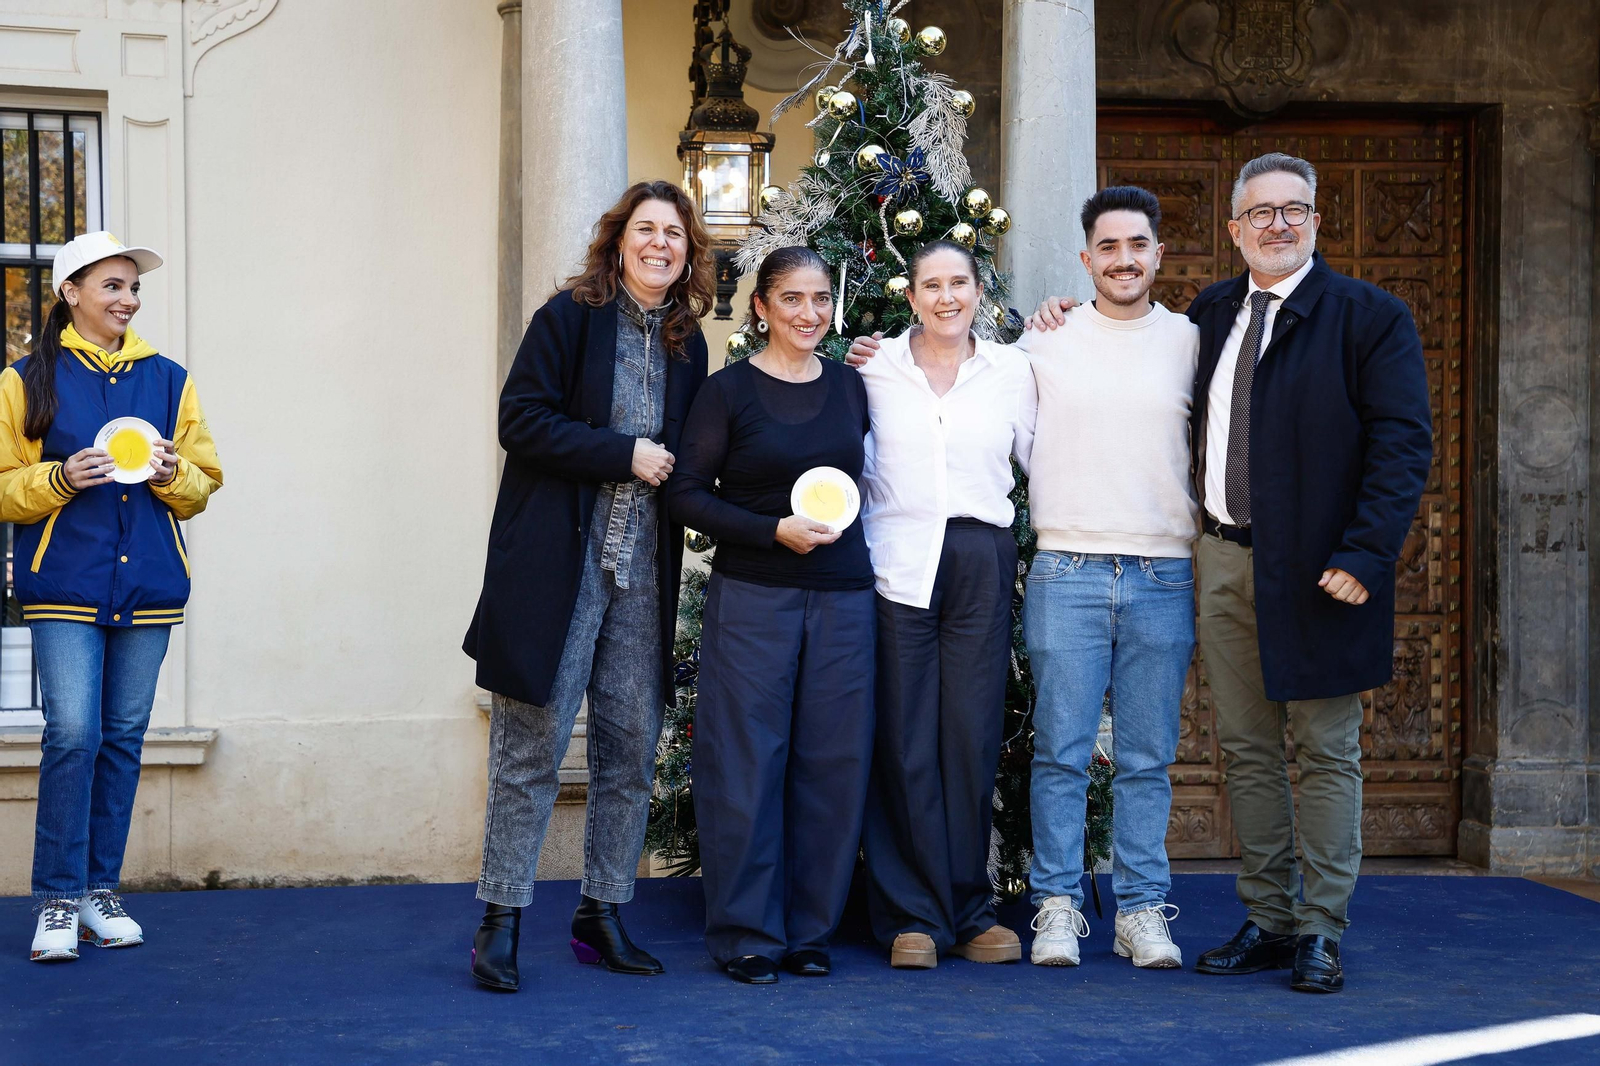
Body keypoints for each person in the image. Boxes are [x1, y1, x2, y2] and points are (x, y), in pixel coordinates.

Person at [1031, 154, 1432, 993]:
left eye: (1293, 210)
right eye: (1260, 213)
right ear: (1234, 229)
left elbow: (1402, 446)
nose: (1277, 224)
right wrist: (1056, 312)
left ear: (1316, 220)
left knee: (1324, 748)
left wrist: (1366, 553)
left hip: (1324, 570)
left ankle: (1320, 927)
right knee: (1247, 749)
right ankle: (1271, 918)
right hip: (1217, 557)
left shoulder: (1369, 317)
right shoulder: (1208, 316)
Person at [462, 180, 713, 992]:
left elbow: (696, 455)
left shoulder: (688, 345)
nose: (659, 244)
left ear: (688, 252)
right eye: (646, 229)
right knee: (531, 746)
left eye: (674, 234)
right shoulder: (568, 317)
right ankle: (500, 919)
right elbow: (520, 419)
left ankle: (601, 912)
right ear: (619, 240)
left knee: (630, 748)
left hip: (643, 571)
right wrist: (622, 453)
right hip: (558, 566)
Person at [10, 232, 223, 962]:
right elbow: (3, 486)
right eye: (113, 285)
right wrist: (60, 478)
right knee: (74, 733)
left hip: (149, 586)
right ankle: (58, 899)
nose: (128, 299)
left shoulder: (169, 380)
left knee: (124, 738)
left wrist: (170, 473)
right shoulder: (23, 380)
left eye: (133, 287)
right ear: (71, 293)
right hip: (64, 585)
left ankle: (99, 892)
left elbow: (203, 484)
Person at [668, 245, 875, 985]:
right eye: (791, 298)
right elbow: (685, 494)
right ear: (760, 308)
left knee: (834, 763)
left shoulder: (853, 386)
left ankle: (811, 931)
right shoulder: (728, 392)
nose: (808, 313)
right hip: (755, 595)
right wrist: (768, 531)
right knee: (746, 762)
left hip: (846, 598)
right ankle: (748, 934)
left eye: (820, 298)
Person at [1012, 188, 1200, 970]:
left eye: (1138, 245)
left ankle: (1140, 910)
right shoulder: (1043, 341)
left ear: (1158, 254)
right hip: (1067, 568)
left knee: (1146, 758)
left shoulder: (1190, 341)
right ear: (1087, 258)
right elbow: (1006, 430)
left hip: (1164, 571)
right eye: (1109, 247)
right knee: (1060, 752)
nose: (1124, 259)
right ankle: (1056, 907)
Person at [852, 240, 1035, 970]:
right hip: (897, 564)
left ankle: (968, 910)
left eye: (959, 282)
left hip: (979, 560)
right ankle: (911, 917)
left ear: (978, 291)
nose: (947, 296)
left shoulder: (1012, 371)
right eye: (932, 285)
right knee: (903, 741)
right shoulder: (873, 368)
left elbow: (1042, 461)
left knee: (969, 735)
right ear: (911, 297)